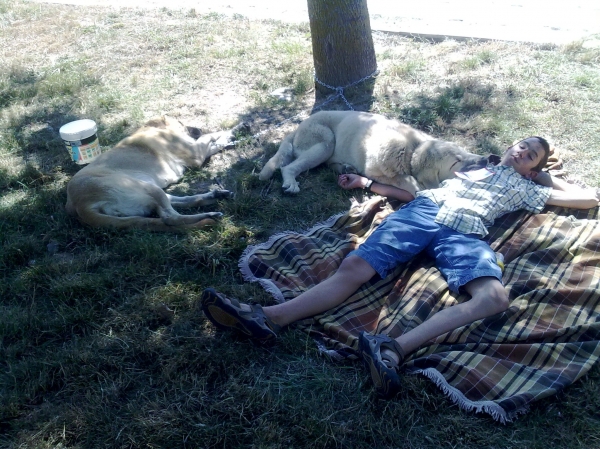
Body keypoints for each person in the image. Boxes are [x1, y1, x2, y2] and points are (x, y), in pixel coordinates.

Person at [201, 137, 600, 398]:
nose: (520, 152)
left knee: (495, 297)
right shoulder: (474, 165)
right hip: (423, 212)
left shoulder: (531, 187)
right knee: (355, 268)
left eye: (530, 154)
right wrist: (367, 184)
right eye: (520, 145)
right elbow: (418, 194)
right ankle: (268, 317)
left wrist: (543, 175)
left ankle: (390, 349)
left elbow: (588, 199)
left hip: (465, 232)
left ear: (534, 168)